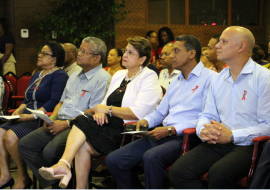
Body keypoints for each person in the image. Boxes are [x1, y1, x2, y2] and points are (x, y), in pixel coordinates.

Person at [35, 36, 162, 189]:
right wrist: (100, 111)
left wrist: (107, 110)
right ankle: (73, 178)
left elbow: (138, 112)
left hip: (126, 130)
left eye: (131, 53)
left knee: (82, 121)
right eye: (125, 51)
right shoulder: (119, 75)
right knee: (82, 140)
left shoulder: (149, 76)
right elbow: (103, 103)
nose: (125, 55)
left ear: (142, 59)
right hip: (107, 124)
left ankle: (64, 164)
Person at [106, 35, 217, 189]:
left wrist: (171, 130)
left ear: (191, 54)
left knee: (151, 157)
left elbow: (208, 116)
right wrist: (146, 122)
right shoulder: (177, 81)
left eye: (176, 51)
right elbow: (159, 113)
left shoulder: (211, 79)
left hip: (189, 137)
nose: (171, 55)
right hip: (163, 134)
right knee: (114, 160)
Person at [169, 26, 270, 189]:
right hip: (218, 141)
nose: (217, 45)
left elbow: (268, 125)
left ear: (241, 46)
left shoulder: (263, 78)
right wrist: (203, 130)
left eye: (224, 41)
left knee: (218, 174)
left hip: (248, 145)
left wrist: (232, 135)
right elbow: (206, 113)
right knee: (178, 172)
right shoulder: (218, 78)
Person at [18, 37, 111, 189]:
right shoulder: (74, 75)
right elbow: (61, 102)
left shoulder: (103, 78)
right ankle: (57, 182)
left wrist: (67, 123)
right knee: (25, 145)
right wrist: (53, 118)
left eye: (83, 51)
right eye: (80, 50)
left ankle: (59, 181)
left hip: (79, 127)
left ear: (97, 58)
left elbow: (94, 110)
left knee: (49, 152)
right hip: (59, 120)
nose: (78, 54)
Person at [0, 41, 69, 189]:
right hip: (25, 116)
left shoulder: (59, 75)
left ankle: (23, 177)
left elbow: (55, 101)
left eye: (44, 54)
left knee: (10, 136)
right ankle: (5, 175)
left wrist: (32, 116)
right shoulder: (37, 74)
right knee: (0, 132)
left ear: (54, 59)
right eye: (40, 52)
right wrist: (19, 110)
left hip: (39, 118)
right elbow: (27, 98)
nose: (39, 55)